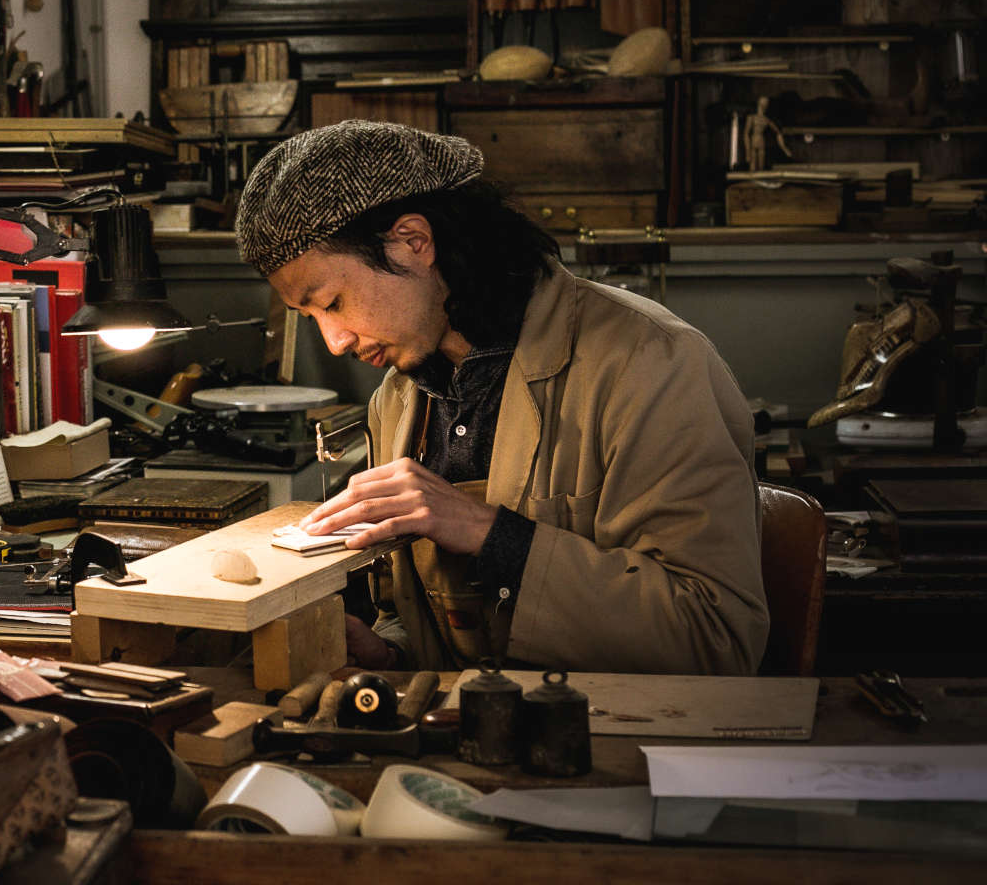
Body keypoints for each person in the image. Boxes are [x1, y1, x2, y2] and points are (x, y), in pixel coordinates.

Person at [235, 120, 768, 675]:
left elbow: (716, 639)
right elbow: (433, 622)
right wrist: (392, 653)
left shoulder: (651, 363)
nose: (336, 341)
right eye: (311, 317)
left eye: (334, 302)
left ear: (413, 243)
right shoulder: (397, 400)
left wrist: (491, 534)